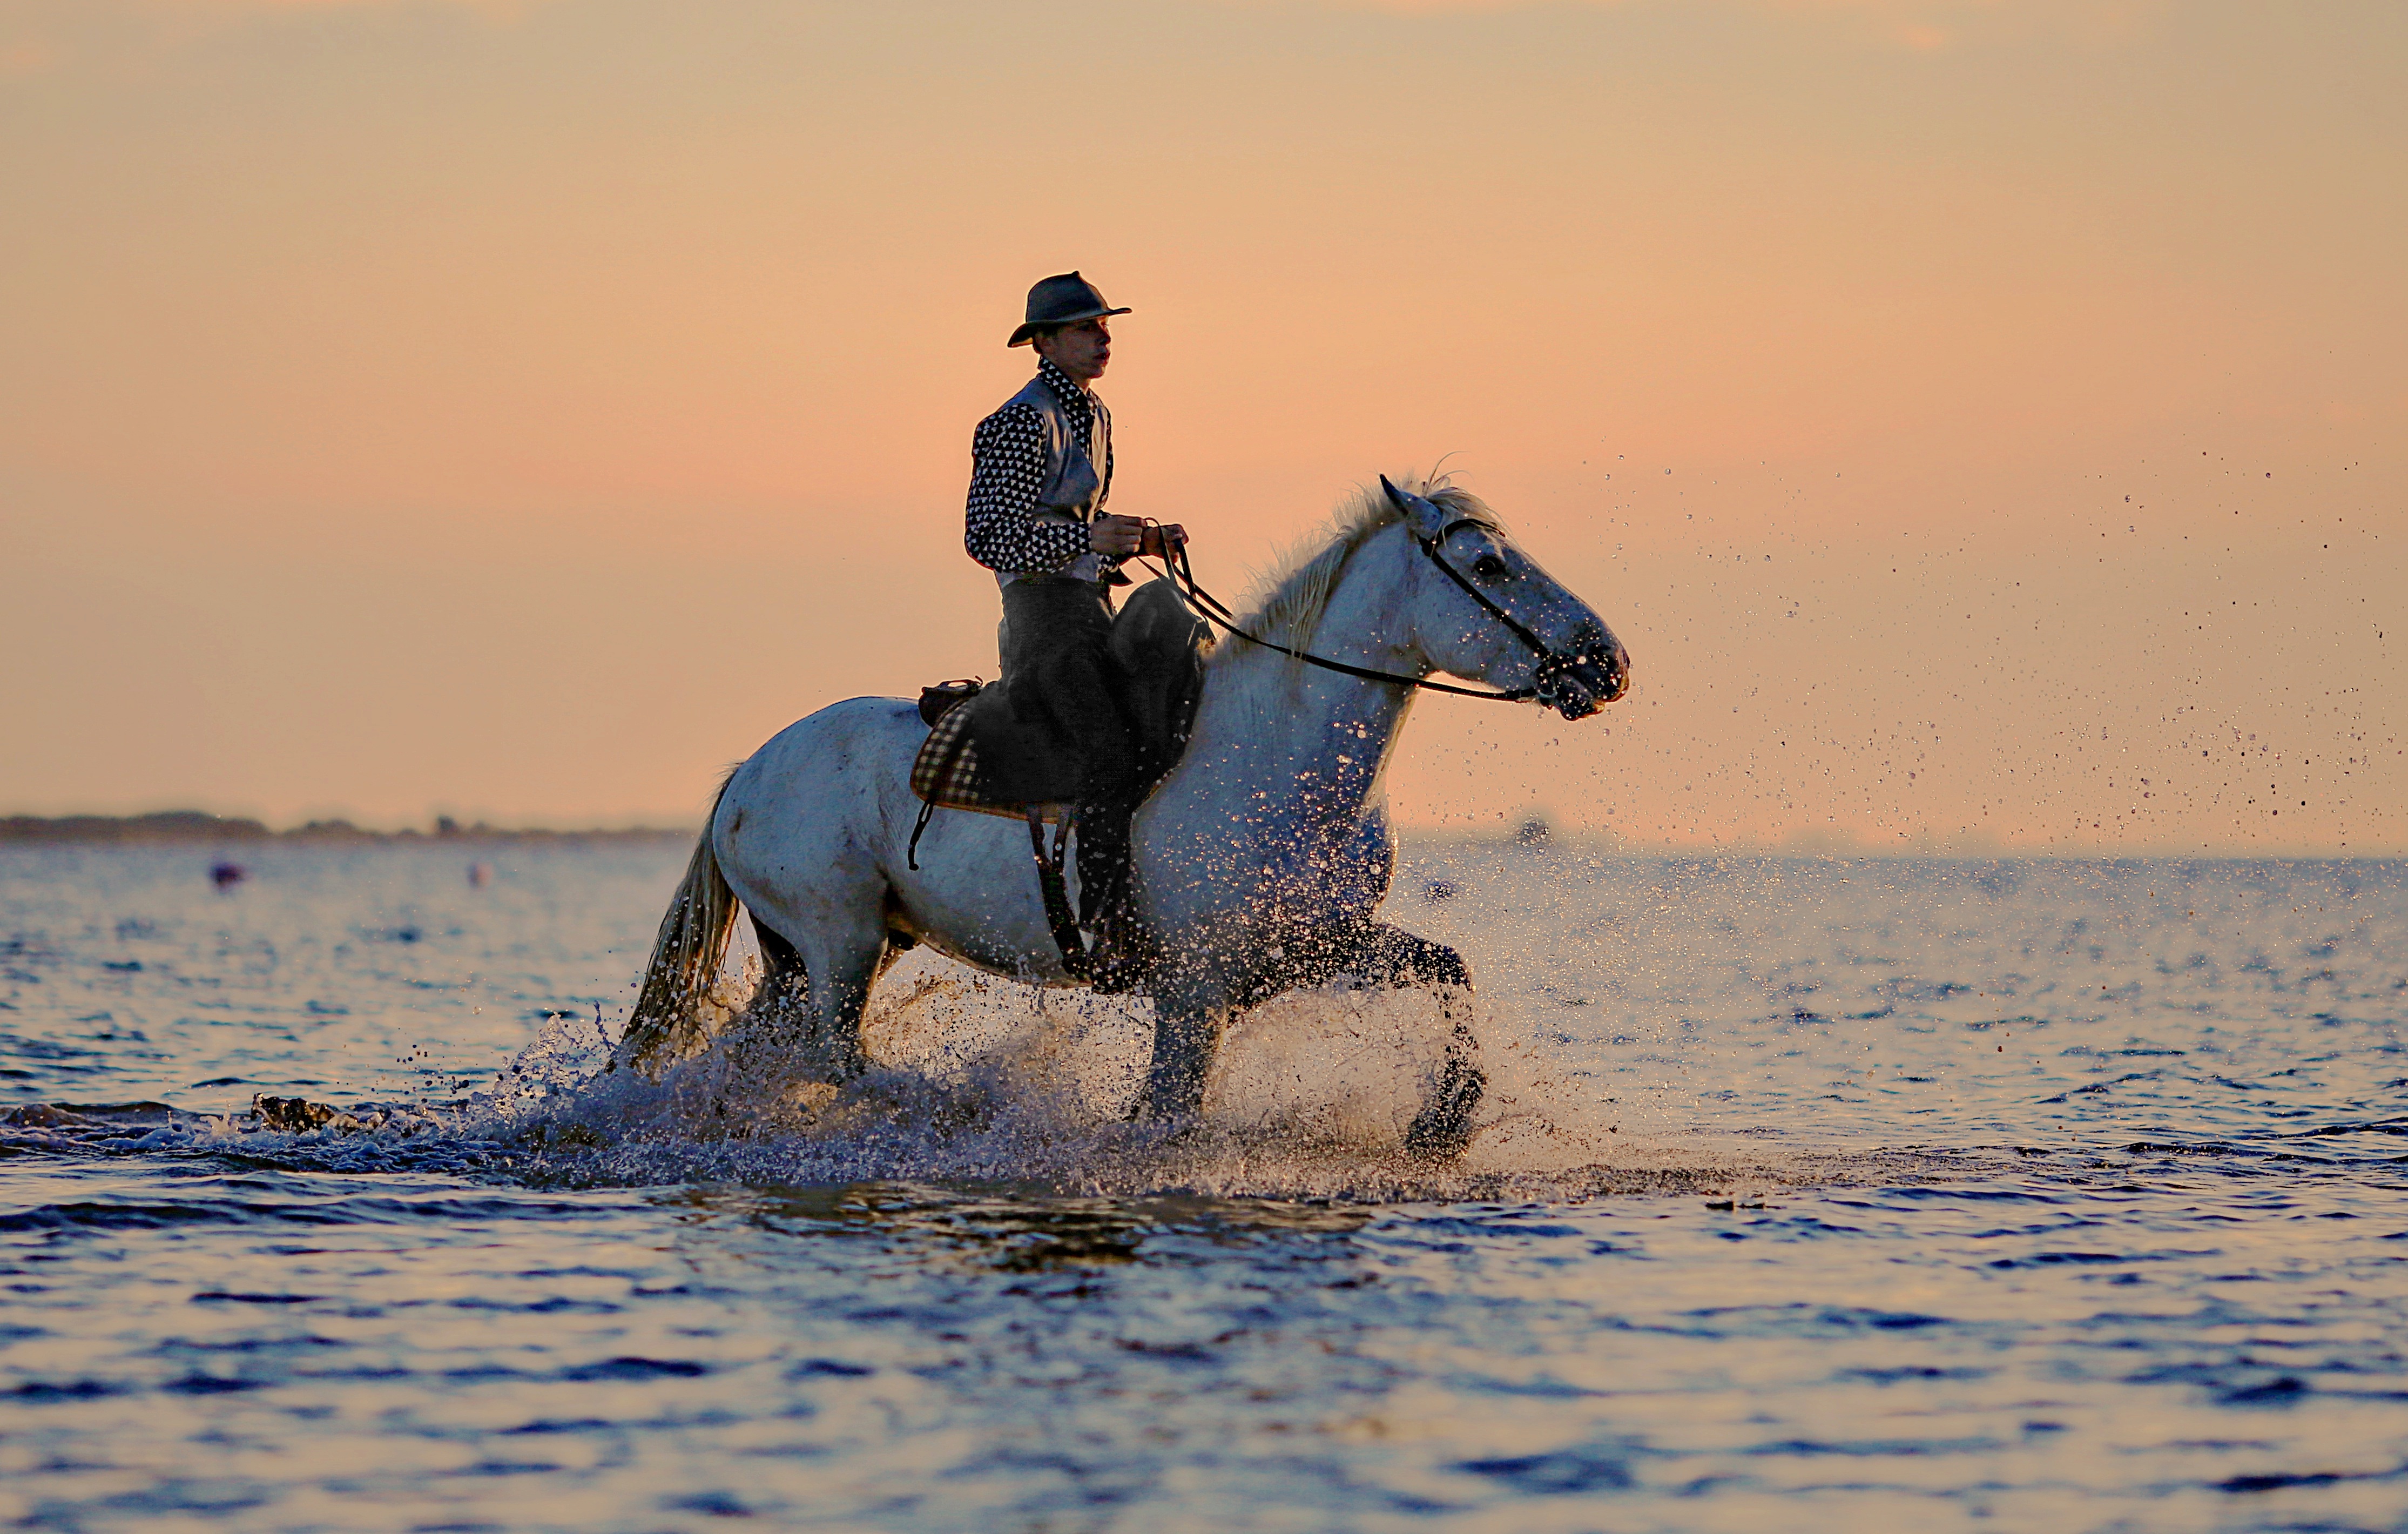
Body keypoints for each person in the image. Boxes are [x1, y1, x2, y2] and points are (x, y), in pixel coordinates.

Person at [963, 272, 1186, 974]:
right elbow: (989, 538)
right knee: (1110, 754)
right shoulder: (1018, 421)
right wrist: (1088, 542)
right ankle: (1109, 931)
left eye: (1104, 325)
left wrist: (1139, 542)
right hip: (1042, 625)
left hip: (1092, 611)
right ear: (1046, 342)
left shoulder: (1096, 414)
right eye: (1087, 328)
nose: (1104, 337)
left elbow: (1077, 526)